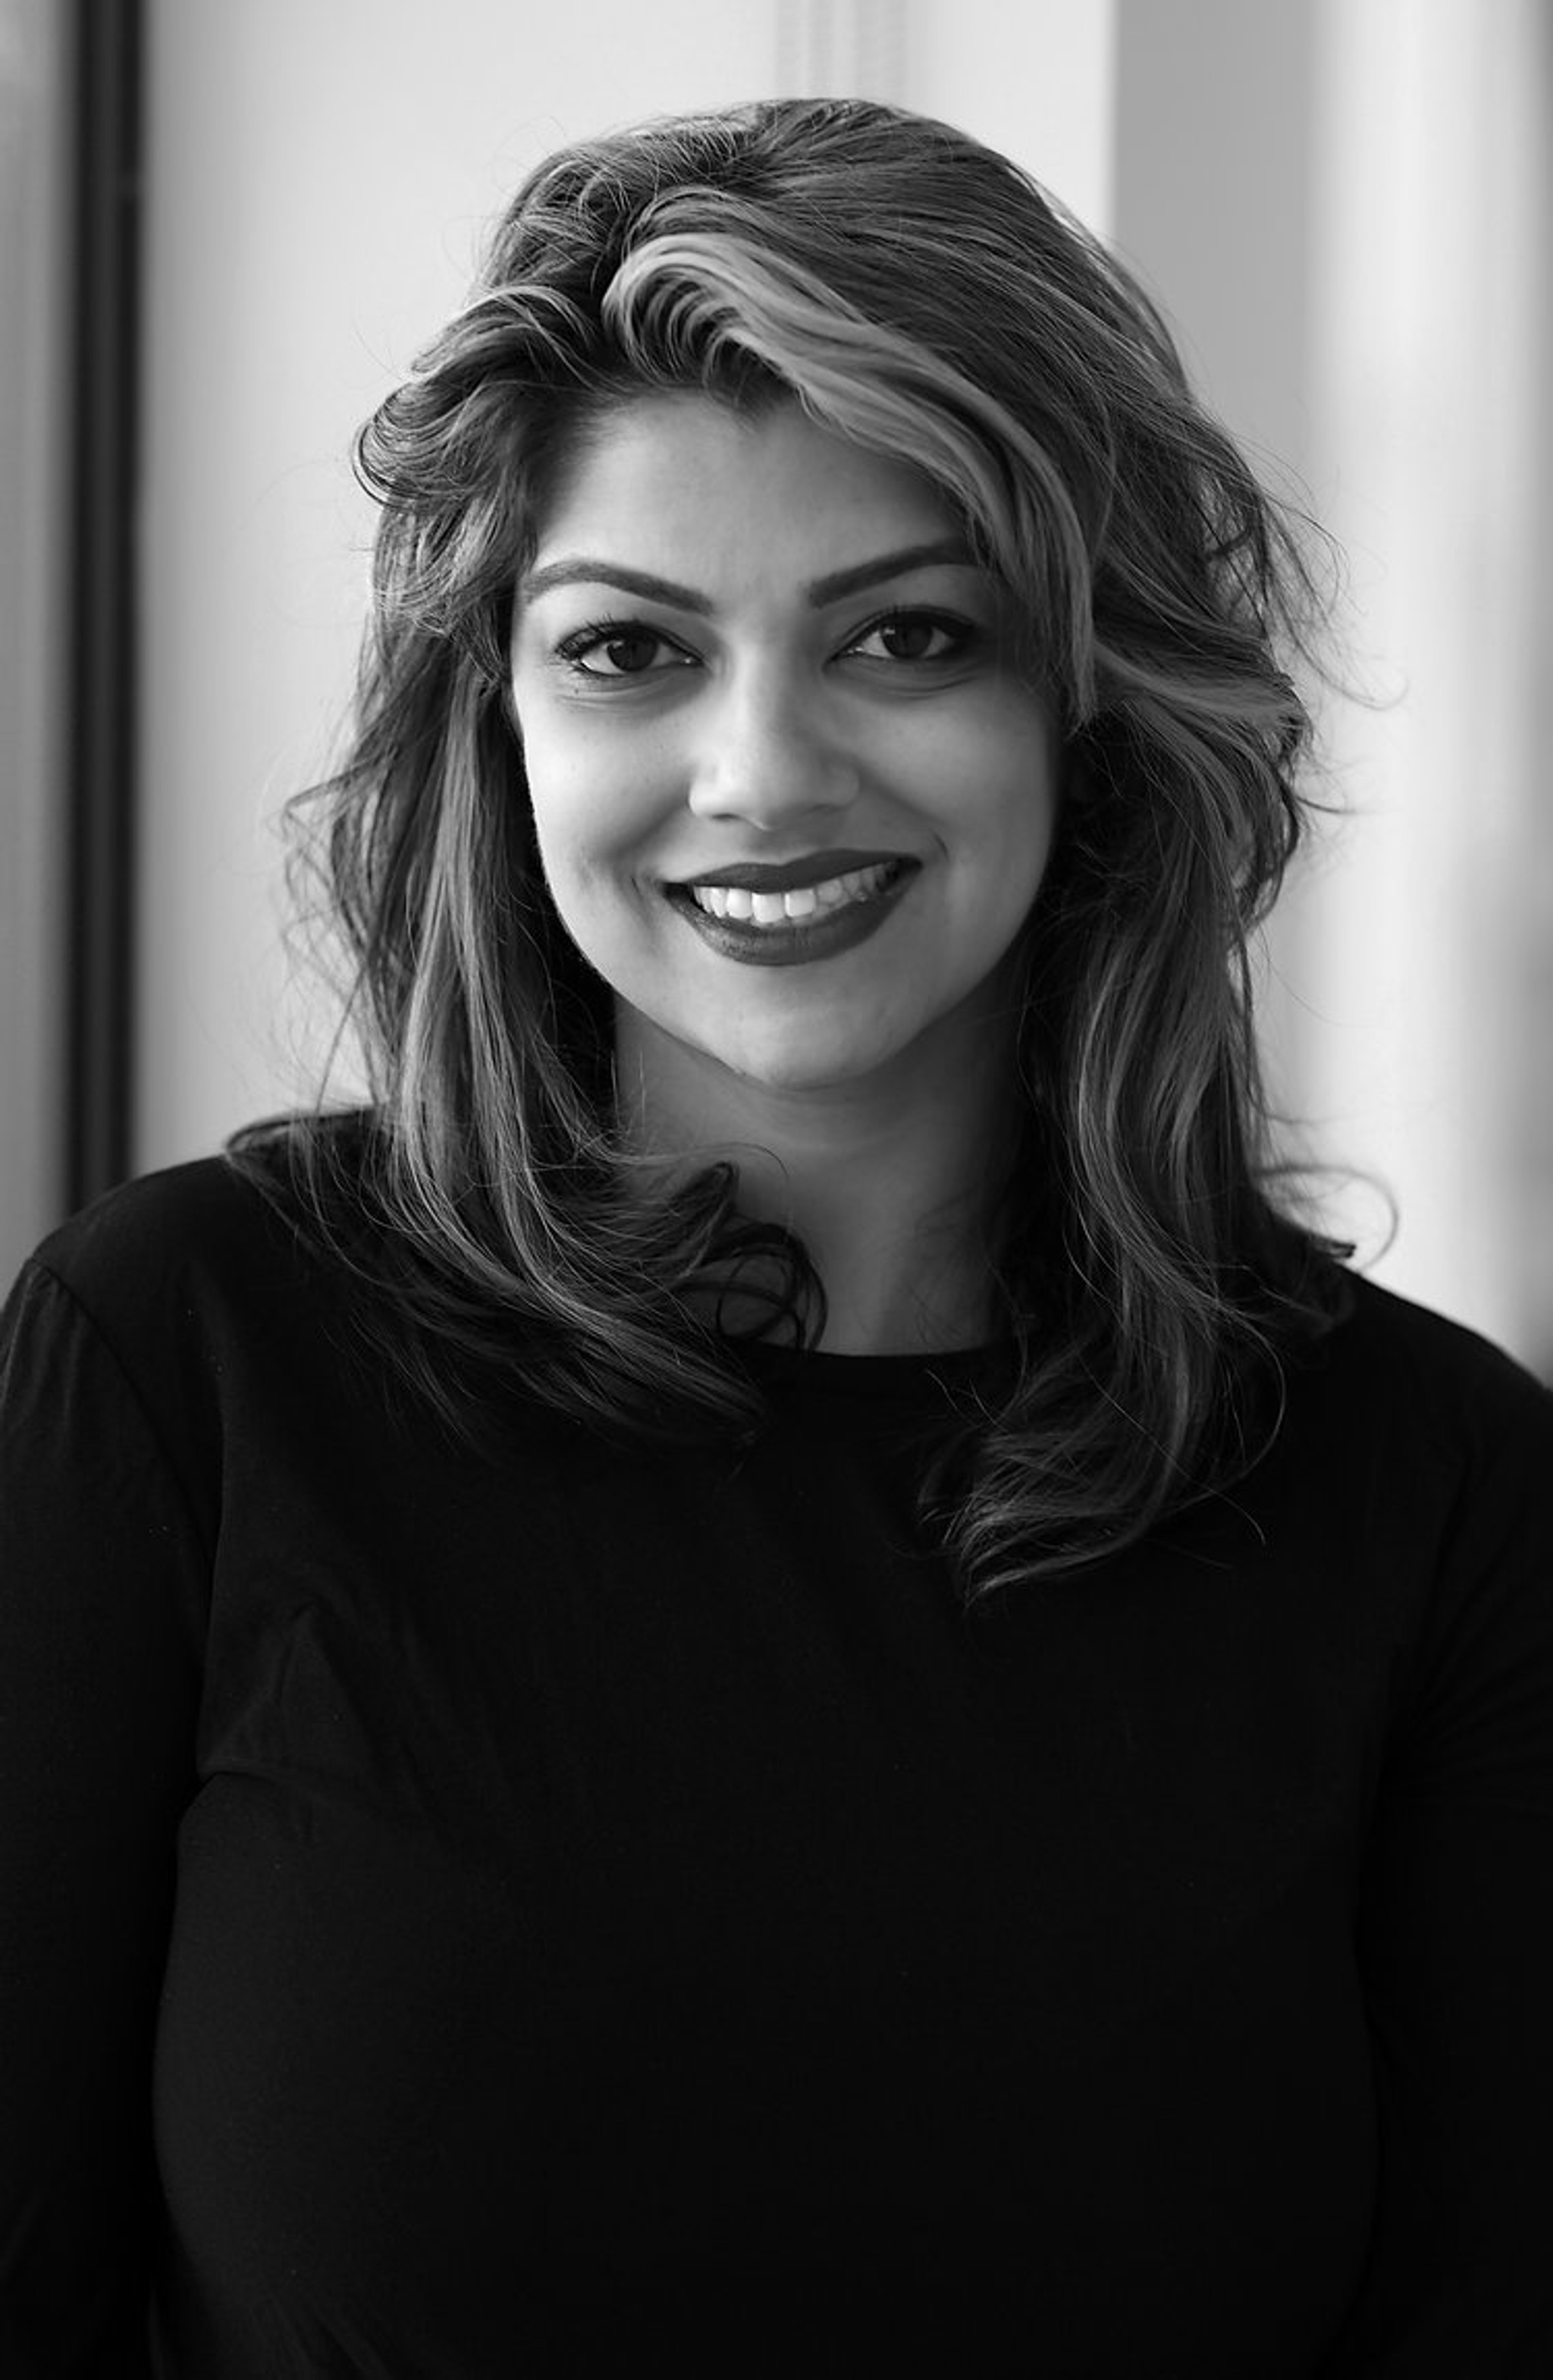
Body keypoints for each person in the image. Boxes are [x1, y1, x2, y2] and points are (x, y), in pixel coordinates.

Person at [2, 94, 1550, 2378]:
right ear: (496, 719)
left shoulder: (1443, 1502)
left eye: (907, 634)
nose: (761, 772)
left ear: (1091, 698)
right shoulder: (175, 1370)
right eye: (631, 651)